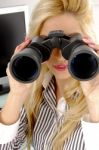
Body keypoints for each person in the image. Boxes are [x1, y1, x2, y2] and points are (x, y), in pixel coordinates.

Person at [0, 0, 99, 150]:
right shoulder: (35, 91)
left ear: (88, 41)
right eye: (45, 42)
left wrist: (95, 99)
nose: (58, 56)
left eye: (72, 42)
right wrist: (16, 94)